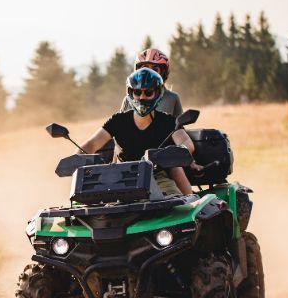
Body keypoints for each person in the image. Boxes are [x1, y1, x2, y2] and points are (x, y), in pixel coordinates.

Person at [78, 68, 202, 197]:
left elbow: (186, 142)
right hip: (121, 180)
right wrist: (77, 156)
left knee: (175, 206)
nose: (142, 97)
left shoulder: (167, 121)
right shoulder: (118, 120)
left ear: (157, 93)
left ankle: (191, 202)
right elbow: (92, 144)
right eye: (137, 92)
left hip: (158, 178)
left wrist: (174, 151)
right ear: (130, 93)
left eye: (148, 93)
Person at [98, 48, 183, 162]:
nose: (149, 73)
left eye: (155, 69)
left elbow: (180, 131)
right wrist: (115, 162)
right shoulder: (130, 99)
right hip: (130, 158)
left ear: (163, 73)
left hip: (161, 160)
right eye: (145, 68)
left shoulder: (172, 98)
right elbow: (120, 134)